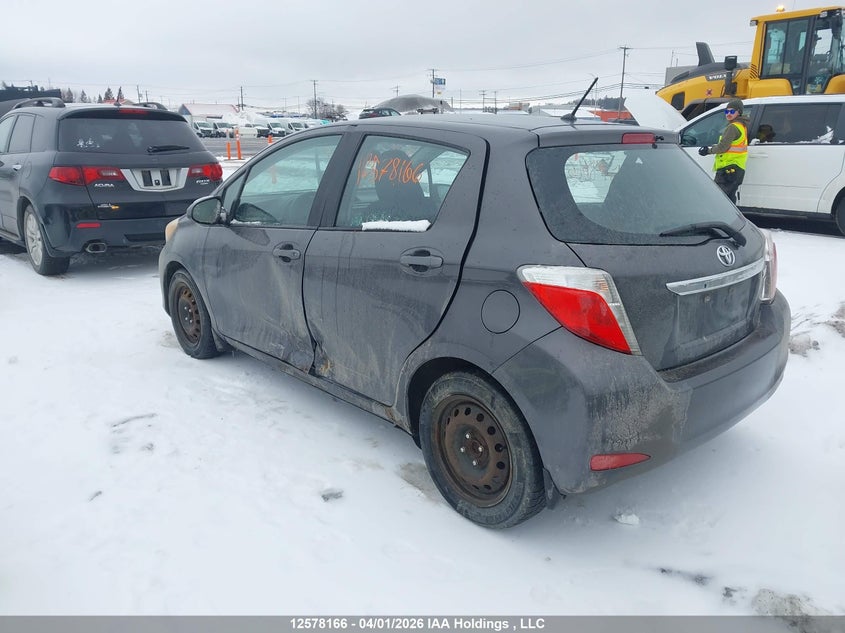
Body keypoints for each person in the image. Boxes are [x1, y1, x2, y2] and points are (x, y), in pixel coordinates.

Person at [698, 99, 749, 204]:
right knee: (729, 199)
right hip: (737, 169)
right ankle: (732, 215)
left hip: (728, 169)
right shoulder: (742, 126)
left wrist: (708, 150)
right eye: (727, 111)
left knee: (718, 199)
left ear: (739, 112)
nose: (728, 114)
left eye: (732, 111)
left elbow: (723, 147)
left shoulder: (732, 127)